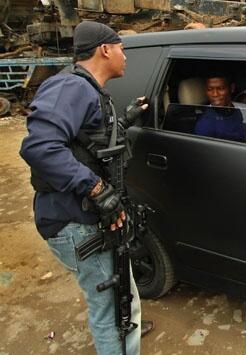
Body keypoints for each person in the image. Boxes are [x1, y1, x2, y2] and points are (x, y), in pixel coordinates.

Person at [20, 21, 152, 355]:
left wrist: (125, 119)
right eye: (121, 47)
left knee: (123, 302)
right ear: (104, 49)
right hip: (75, 222)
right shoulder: (71, 87)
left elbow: (88, 142)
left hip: (88, 220)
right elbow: (41, 148)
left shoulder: (90, 91)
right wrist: (97, 190)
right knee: (112, 312)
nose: (126, 55)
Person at [194, 72, 246, 141]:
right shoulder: (205, 125)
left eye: (220, 88)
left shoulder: (241, 110)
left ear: (232, 88)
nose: (215, 94)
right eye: (210, 89)